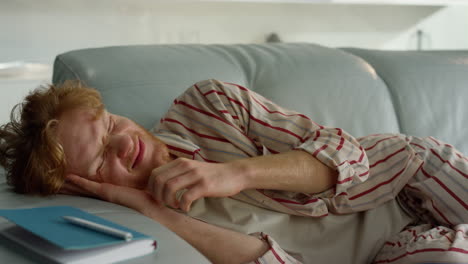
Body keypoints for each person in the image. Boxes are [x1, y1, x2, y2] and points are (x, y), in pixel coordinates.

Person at [0, 79, 467, 263]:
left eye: (111, 126)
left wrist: (238, 173)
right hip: (399, 254)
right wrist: (154, 210)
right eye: (103, 158)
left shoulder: (209, 106)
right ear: (85, 186)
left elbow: (344, 152)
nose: (126, 143)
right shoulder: (157, 229)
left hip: (409, 180)